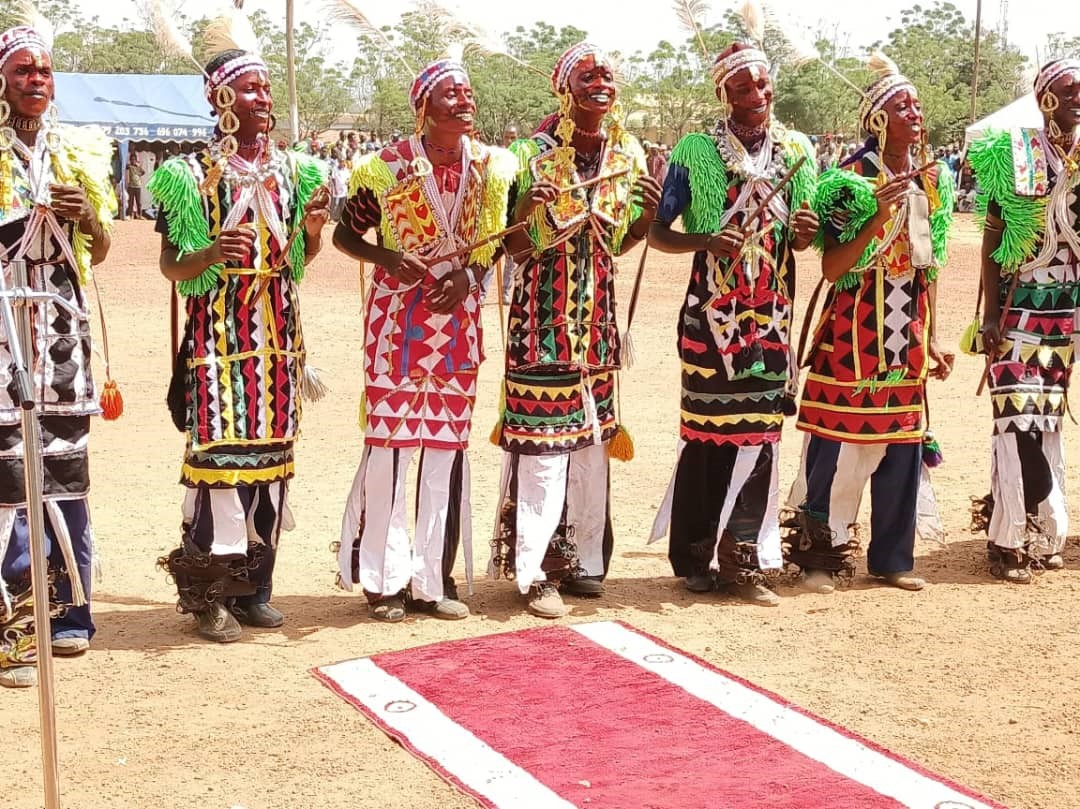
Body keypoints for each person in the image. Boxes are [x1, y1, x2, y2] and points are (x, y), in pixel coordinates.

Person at [150, 17, 329, 643]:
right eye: (250, 88)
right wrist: (211, 254)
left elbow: (299, 266)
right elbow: (174, 265)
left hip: (278, 344)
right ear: (220, 99)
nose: (264, 98)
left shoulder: (296, 172)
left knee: (271, 469)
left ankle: (254, 588)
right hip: (219, 347)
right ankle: (206, 594)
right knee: (220, 470)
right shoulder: (191, 175)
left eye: (266, 88)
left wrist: (309, 230)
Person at [333, 59, 517, 622]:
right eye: (450, 94)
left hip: (458, 324)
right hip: (397, 324)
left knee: (443, 450)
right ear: (423, 107)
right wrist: (387, 257)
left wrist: (470, 274)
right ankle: (383, 583)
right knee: (390, 450)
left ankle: (431, 581)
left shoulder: (491, 169)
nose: (464, 101)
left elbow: (495, 241)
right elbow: (346, 235)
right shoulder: (385, 169)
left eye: (468, 92)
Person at [489, 43, 661, 618]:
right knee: (543, 454)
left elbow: (616, 244)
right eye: (588, 75)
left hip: (597, 331)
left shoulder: (626, 154)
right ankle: (537, 572)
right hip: (540, 325)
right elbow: (506, 247)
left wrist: (644, 217)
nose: (601, 82)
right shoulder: (528, 157)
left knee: (591, 450)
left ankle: (586, 563)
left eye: (607, 74)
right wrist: (525, 215)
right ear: (565, 89)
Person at [647, 42, 819, 606]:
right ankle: (695, 555)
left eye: (764, 86)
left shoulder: (795, 151)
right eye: (743, 88)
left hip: (770, 318)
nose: (757, 96)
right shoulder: (697, 151)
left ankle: (742, 557)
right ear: (723, 93)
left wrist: (804, 230)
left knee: (761, 437)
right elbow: (658, 232)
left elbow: (803, 234)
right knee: (707, 438)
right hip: (710, 319)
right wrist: (705, 239)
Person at [785, 53, 955, 594]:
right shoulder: (847, 181)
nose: (917, 114)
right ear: (878, 119)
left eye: (918, 105)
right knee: (835, 446)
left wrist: (934, 338)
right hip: (851, 335)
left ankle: (891, 558)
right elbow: (833, 267)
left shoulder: (932, 183)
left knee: (902, 448)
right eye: (904, 106)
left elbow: (929, 267)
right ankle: (819, 557)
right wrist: (877, 218)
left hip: (906, 336)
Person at [0, 20, 116, 688]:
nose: (36, 80)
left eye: (44, 70)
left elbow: (98, 251)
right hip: (6, 335)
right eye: (23, 71)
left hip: (62, 339)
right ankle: (15, 622)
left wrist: (86, 218)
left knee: (66, 475)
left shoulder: (79, 152)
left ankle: (71, 609)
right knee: (9, 484)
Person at [967, 59, 1080, 583]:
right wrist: (989, 313)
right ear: (1045, 98)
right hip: (1017, 308)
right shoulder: (1016, 153)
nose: (1078, 97)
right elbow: (992, 238)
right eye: (1068, 89)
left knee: (1047, 419)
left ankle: (1035, 529)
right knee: (1016, 418)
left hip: (1065, 313)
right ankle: (1010, 538)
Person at [124, 151, 145, 219]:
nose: (133, 161)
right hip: (131, 186)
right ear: (130, 160)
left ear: (136, 160)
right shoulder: (130, 166)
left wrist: (138, 173)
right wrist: (129, 164)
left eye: (134, 159)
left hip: (138, 186)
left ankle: (140, 215)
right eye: (132, 159)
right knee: (131, 201)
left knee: (138, 202)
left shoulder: (138, 167)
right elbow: (126, 167)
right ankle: (130, 215)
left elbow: (143, 172)